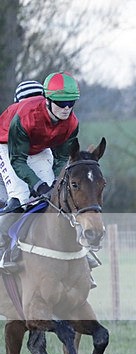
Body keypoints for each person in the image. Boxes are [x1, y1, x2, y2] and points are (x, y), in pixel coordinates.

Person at [0, 71, 81, 271]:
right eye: (61, 103)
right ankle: (3, 248)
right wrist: (38, 185)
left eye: (71, 103)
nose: (67, 108)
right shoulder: (26, 117)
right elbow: (18, 160)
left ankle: (77, 251)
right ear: (48, 100)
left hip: (38, 148)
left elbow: (61, 158)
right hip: (8, 146)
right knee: (21, 198)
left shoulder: (72, 124)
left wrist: (52, 184)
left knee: (54, 197)